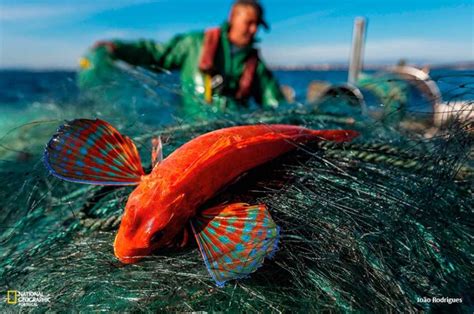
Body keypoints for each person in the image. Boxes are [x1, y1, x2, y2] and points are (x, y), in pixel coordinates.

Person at [80, 0, 286, 116]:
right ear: (233, 18)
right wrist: (119, 48)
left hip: (229, 136)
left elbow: (274, 101)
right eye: (249, 22)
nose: (254, 29)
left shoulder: (255, 65)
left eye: (258, 25)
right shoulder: (195, 43)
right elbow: (157, 53)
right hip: (190, 132)